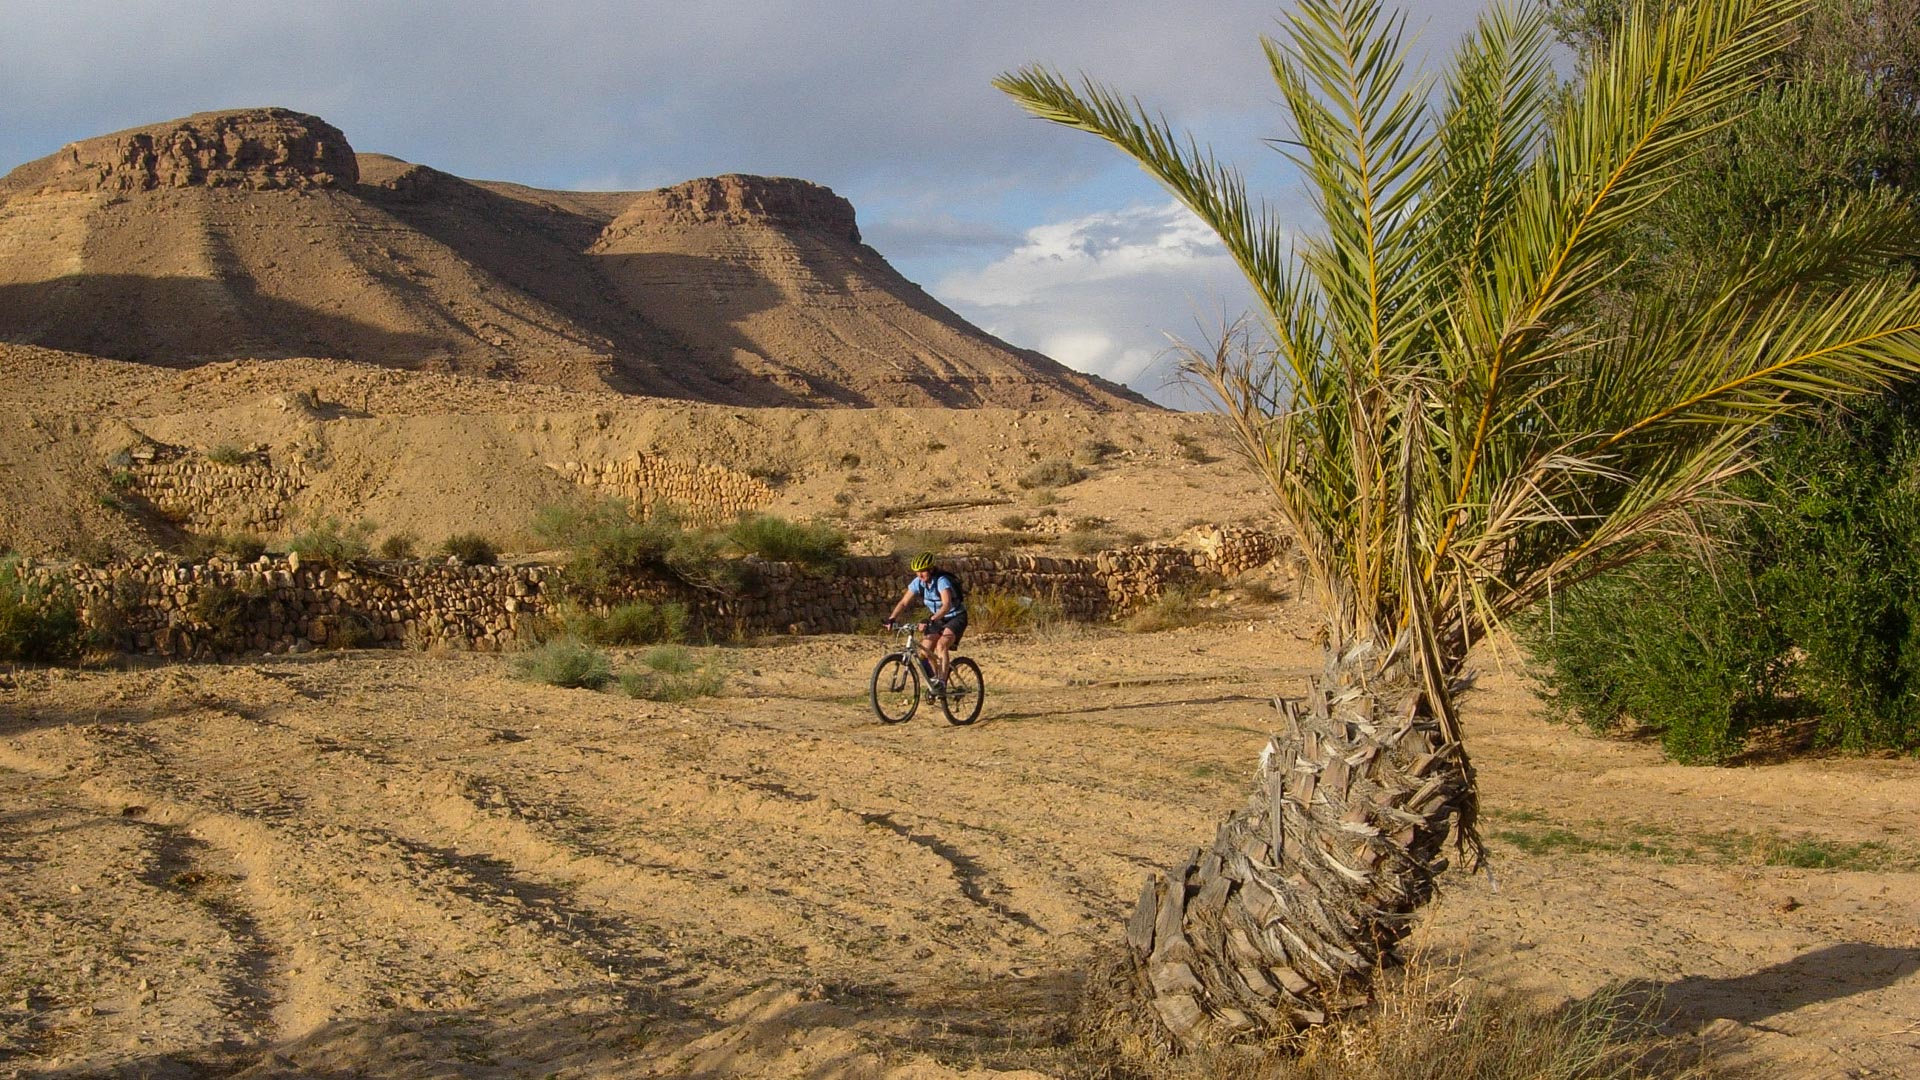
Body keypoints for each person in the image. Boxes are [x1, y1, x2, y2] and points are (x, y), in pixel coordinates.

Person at [884, 551, 966, 693]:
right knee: (924, 651)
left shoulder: (942, 581)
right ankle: (935, 681)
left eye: (923, 571)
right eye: (917, 572)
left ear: (931, 569)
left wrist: (931, 619)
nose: (920, 575)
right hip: (937, 618)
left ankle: (942, 681)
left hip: (955, 617)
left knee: (941, 645)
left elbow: (946, 605)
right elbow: (903, 602)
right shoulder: (918, 583)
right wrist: (892, 618)